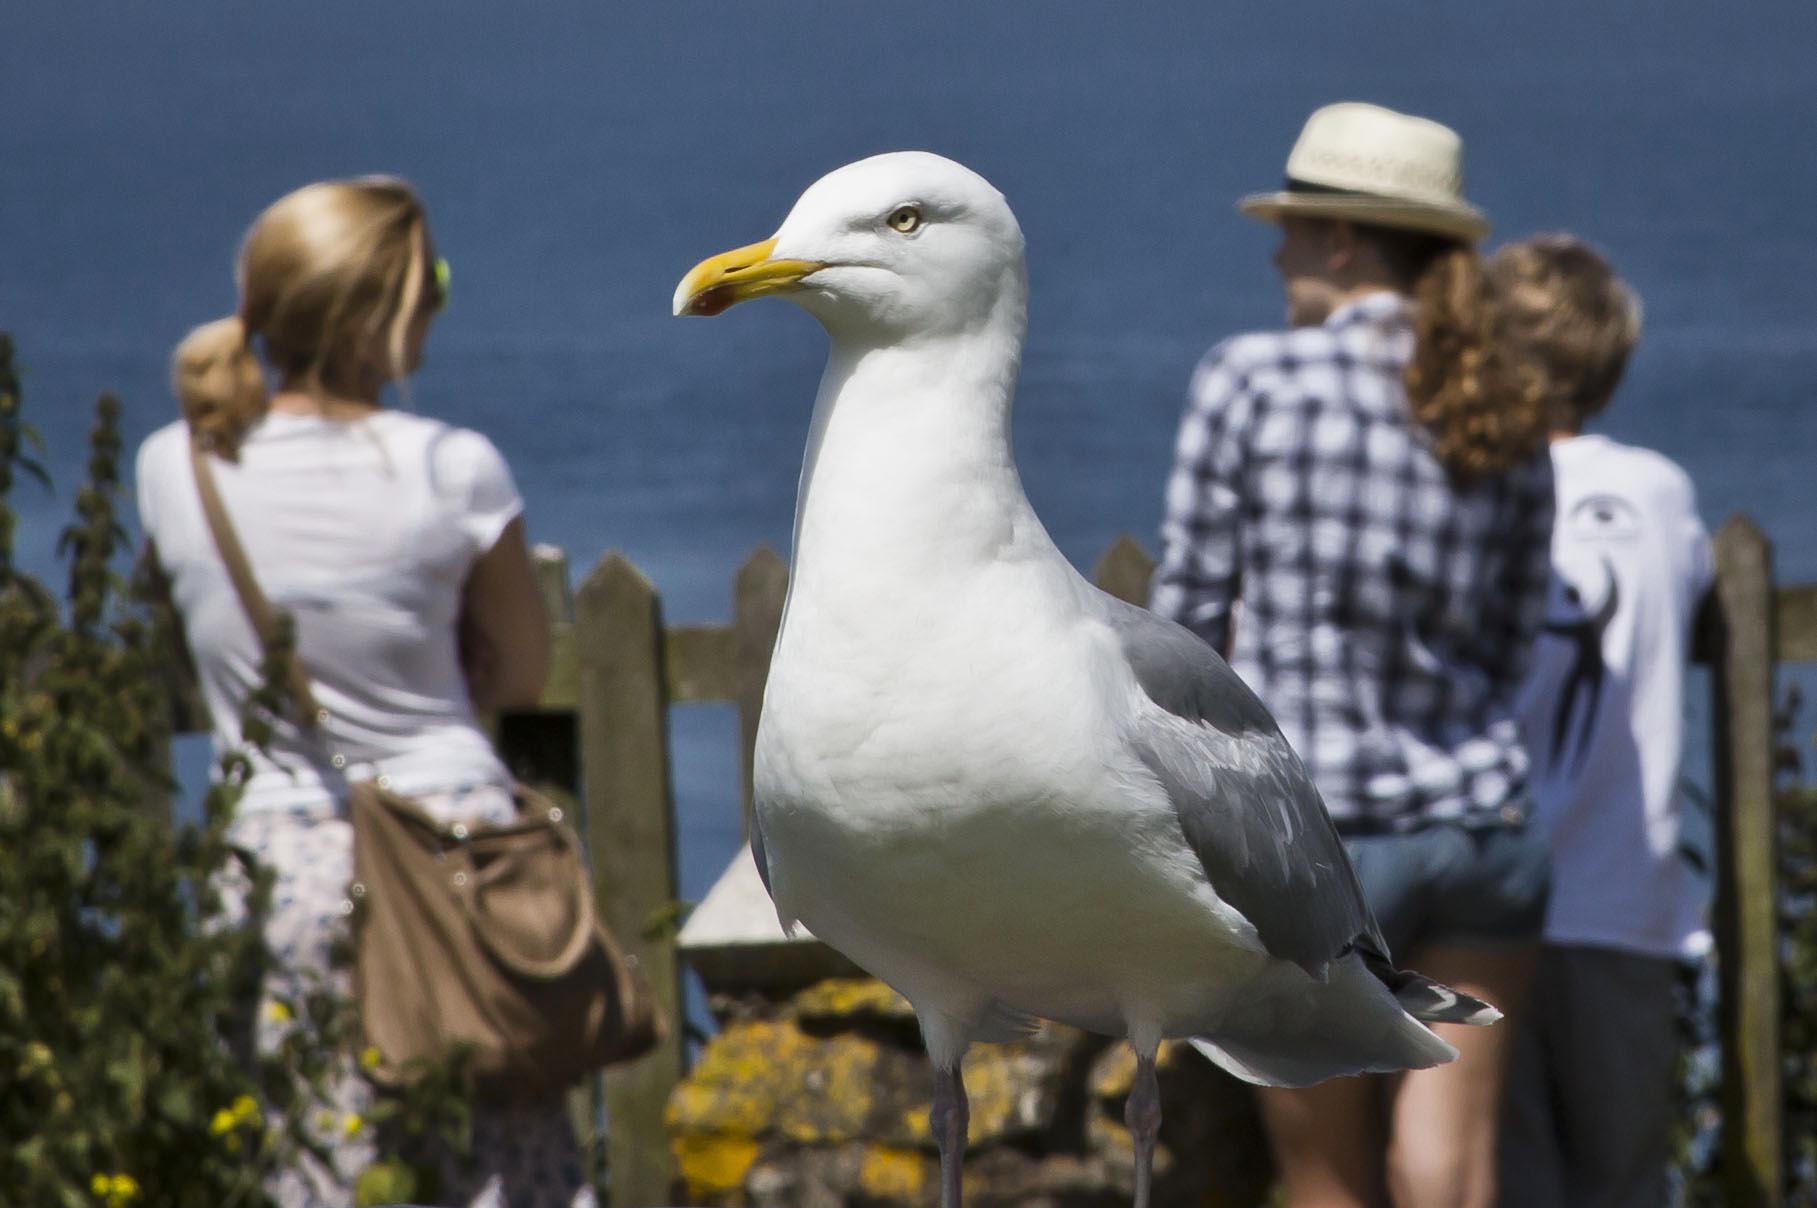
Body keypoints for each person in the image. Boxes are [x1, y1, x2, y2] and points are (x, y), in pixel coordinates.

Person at [137, 177, 590, 1207]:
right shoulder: (451, 468)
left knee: (304, 1165)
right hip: (455, 859)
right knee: (505, 1165)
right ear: (380, 310)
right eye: (430, 282)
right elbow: (521, 671)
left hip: (272, 867)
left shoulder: (175, 466)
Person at [1151, 102, 1555, 1208]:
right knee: (1450, 1167)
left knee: (1323, 1176)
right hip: (1478, 825)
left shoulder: (1248, 380)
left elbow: (1181, 626)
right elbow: (1514, 639)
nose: (1276, 252)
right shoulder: (1509, 404)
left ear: (1338, 241)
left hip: (1313, 839)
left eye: (1288, 228)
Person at [1490, 235, 1714, 1208]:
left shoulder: (1467, 488)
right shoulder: (1660, 493)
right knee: (1625, 1177)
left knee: (1508, 1172)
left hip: (1485, 900)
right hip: (1624, 902)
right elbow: (1698, 587)